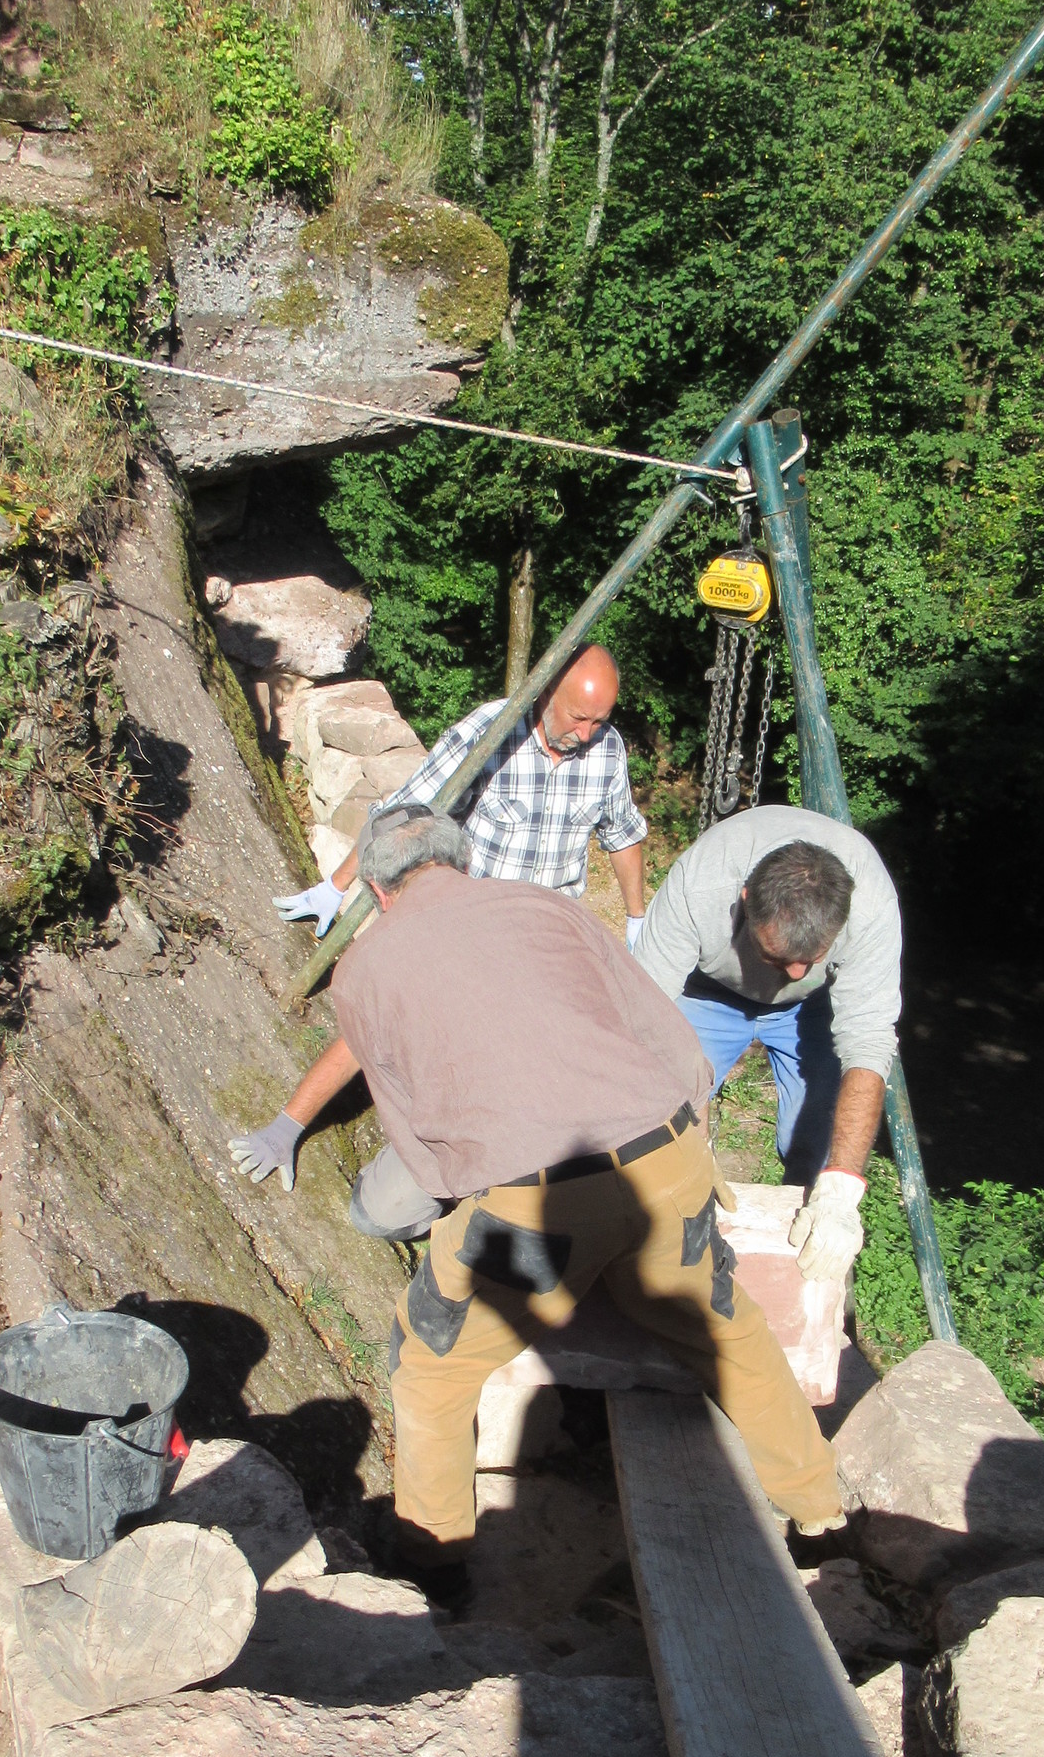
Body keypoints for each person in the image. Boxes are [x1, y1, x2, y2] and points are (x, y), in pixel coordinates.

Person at [327, 801, 846, 1600]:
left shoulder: (362, 970)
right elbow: (672, 1044)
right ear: (461, 862)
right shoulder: (545, 906)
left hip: (536, 1208)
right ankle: (820, 1514)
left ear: (377, 889)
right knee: (727, 1332)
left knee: (431, 1365)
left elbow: (419, 1141)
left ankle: (433, 1567)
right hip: (668, 1162)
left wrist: (465, 1212)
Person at [233, 646, 649, 1234]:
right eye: (579, 718)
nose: (586, 733)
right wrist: (338, 884)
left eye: (599, 721)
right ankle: (437, 1162)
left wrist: (636, 917)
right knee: (428, 1032)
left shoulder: (606, 750)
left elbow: (623, 832)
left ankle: (528, 1176)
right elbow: (406, 812)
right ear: (547, 691)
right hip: (470, 928)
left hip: (546, 935)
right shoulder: (491, 733)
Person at [631, 807, 901, 1285]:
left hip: (813, 1007)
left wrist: (841, 1189)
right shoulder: (702, 884)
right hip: (707, 993)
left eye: (810, 958)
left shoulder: (869, 904)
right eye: (778, 957)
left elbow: (869, 1042)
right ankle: (673, 1250)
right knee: (667, 1130)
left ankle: (809, 1277)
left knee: (817, 1143)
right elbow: (643, 1016)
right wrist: (690, 1141)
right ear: (745, 902)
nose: (792, 973)